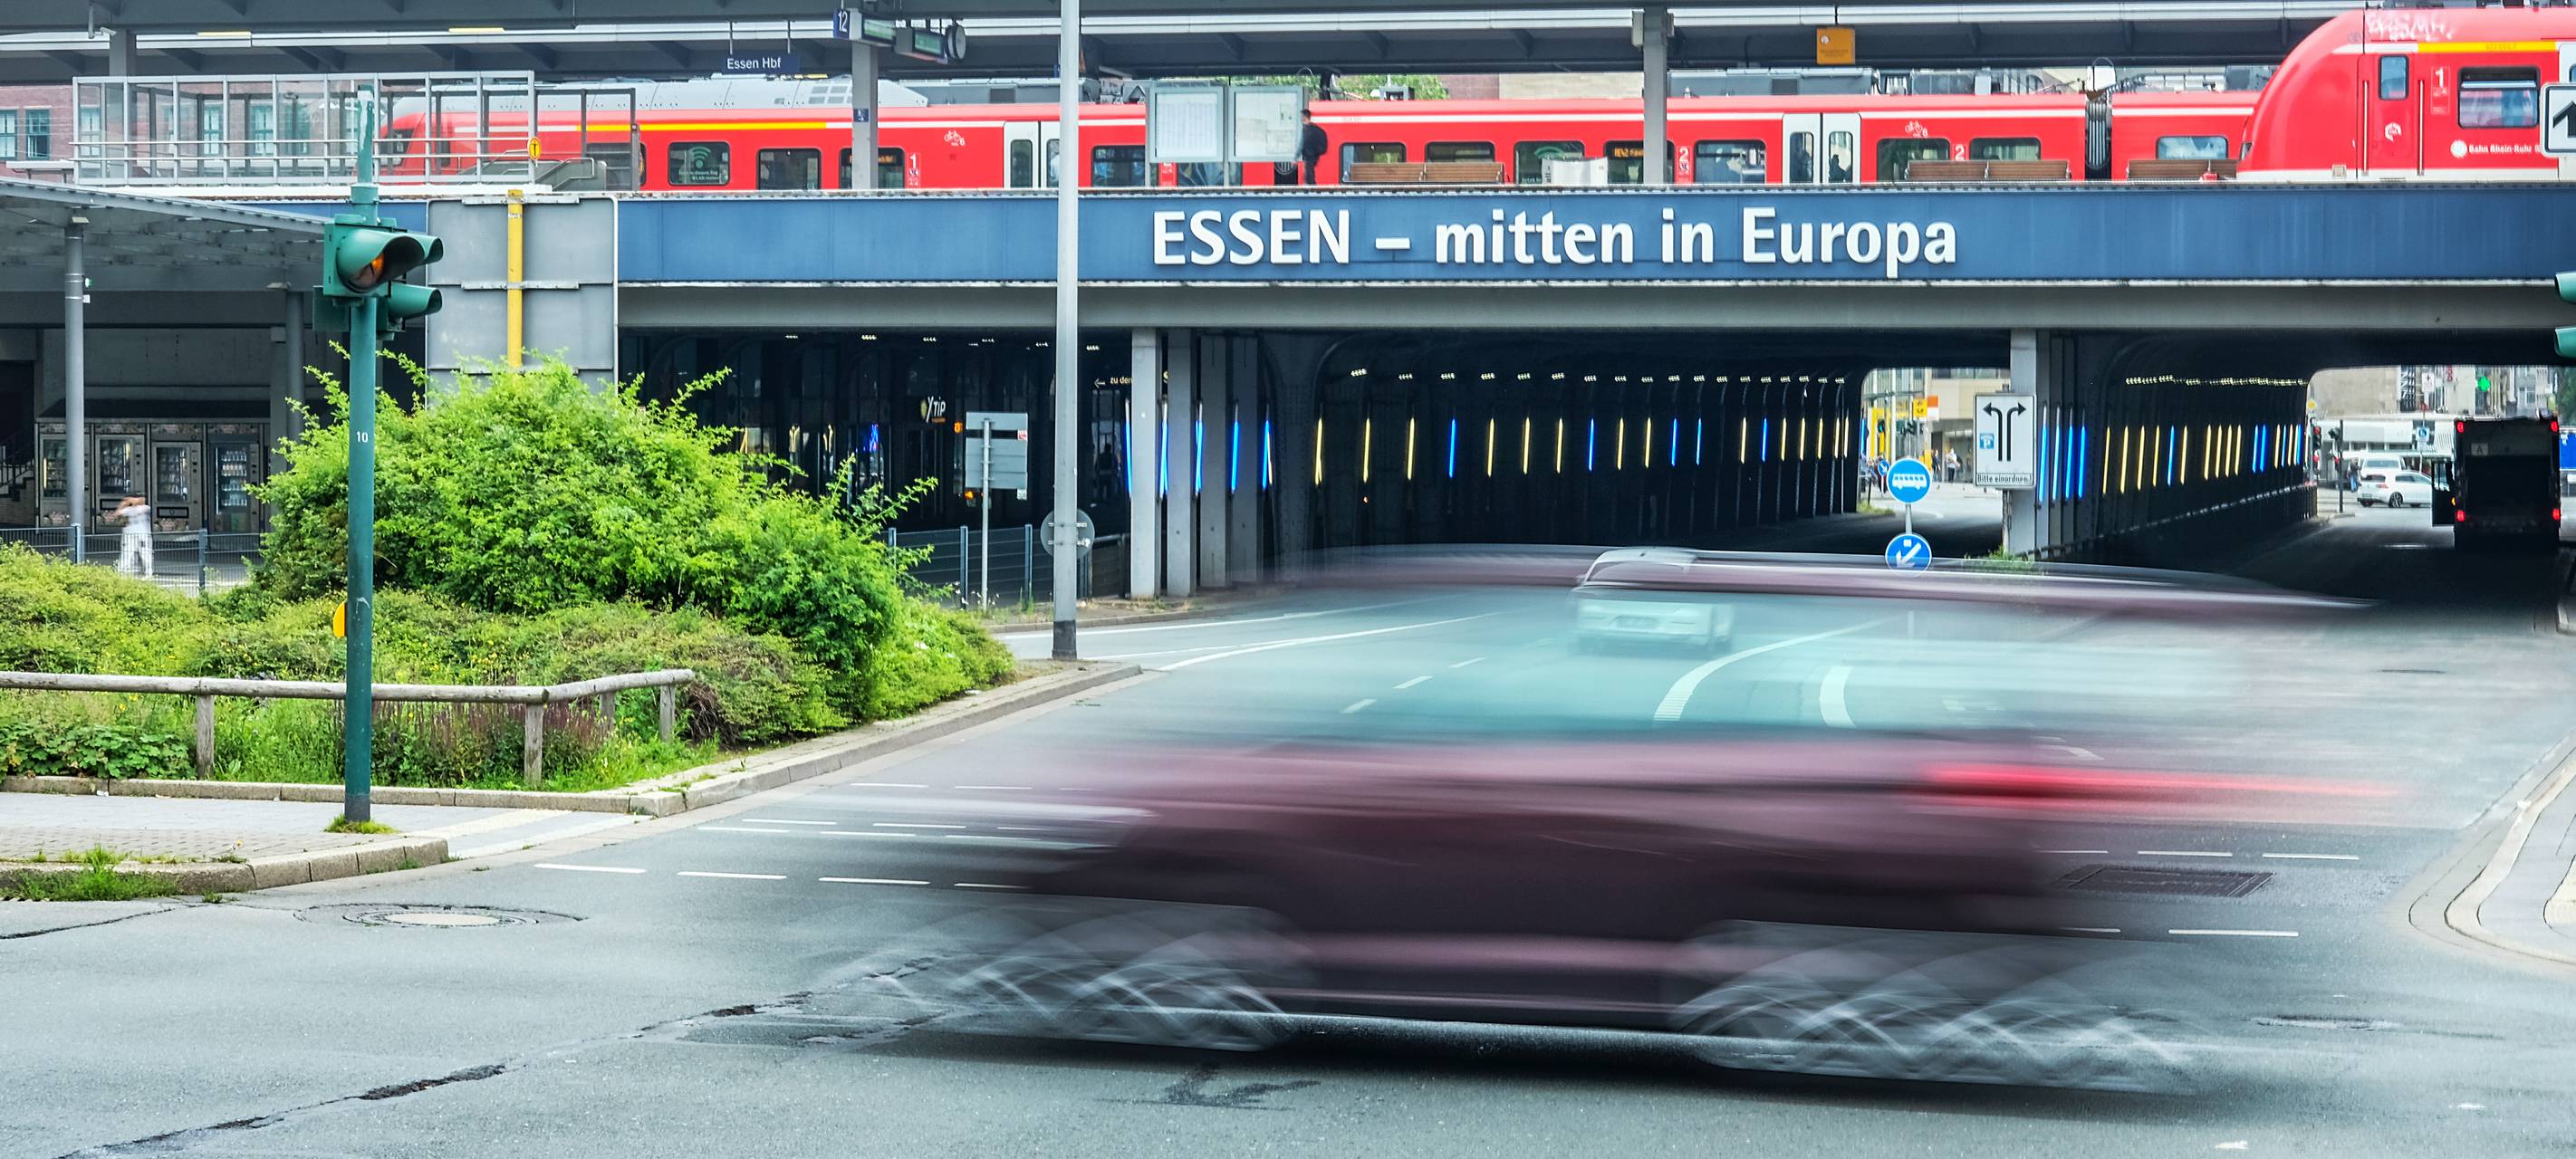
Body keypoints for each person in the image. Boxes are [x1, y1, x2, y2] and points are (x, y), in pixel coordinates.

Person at [112, 495, 152, 578]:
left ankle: (148, 572)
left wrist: (133, 500)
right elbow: (116, 514)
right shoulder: (128, 510)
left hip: (142, 535)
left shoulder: (144, 508)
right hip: (129, 535)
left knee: (145, 553)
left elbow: (142, 500)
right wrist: (122, 504)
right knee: (127, 552)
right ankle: (121, 571)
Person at [1298, 110, 1329, 186]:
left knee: (1309, 177)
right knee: (1308, 175)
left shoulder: (1307, 130)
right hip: (1313, 155)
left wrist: (1296, 156)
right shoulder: (1316, 129)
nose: (1300, 118)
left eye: (1301, 116)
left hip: (1309, 155)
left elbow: (1302, 144)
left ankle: (1311, 192)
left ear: (1304, 117)